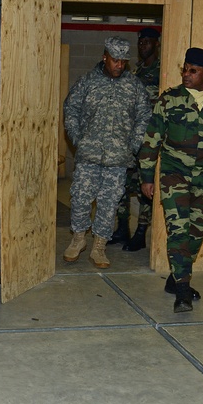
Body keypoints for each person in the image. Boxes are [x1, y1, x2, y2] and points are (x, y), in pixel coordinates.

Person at [139, 47, 203, 312]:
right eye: (184, 69)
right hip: (174, 172)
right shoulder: (169, 100)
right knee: (178, 230)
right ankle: (182, 289)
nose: (186, 74)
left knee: (196, 232)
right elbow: (151, 141)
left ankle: (175, 279)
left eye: (193, 71)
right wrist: (147, 177)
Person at [63, 37, 151, 268]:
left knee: (108, 203)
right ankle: (79, 239)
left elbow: (144, 116)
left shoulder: (134, 86)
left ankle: (99, 247)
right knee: (80, 198)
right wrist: (77, 140)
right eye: (115, 60)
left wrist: (133, 144)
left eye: (123, 61)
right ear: (105, 57)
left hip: (117, 158)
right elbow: (70, 108)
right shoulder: (88, 82)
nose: (119, 65)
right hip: (88, 155)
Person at [109, 28, 162, 252]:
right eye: (140, 43)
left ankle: (141, 232)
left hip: (148, 141)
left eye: (147, 43)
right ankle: (123, 228)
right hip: (129, 140)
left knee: (144, 189)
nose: (143, 46)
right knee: (121, 185)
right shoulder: (136, 70)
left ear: (156, 44)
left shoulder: (162, 71)